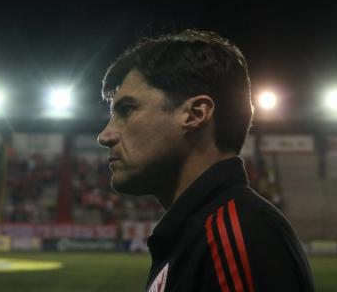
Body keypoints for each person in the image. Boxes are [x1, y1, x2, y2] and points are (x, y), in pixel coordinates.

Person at [97, 30, 314, 291]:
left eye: (126, 110)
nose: (105, 136)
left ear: (195, 114)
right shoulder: (203, 231)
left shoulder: (234, 235)